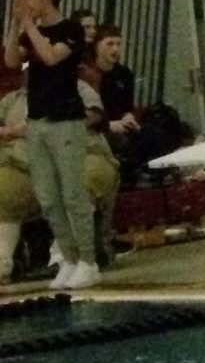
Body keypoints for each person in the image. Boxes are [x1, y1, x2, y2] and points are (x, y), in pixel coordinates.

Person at [2, 0, 100, 289]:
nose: (27, 4)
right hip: (38, 122)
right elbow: (11, 61)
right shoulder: (31, 32)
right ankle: (69, 258)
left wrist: (30, 27)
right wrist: (15, 25)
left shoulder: (70, 30)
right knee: (47, 197)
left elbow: (51, 57)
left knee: (72, 193)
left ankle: (88, 259)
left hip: (66, 121)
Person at [0, 80, 120, 282]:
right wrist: (8, 132)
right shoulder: (12, 100)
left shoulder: (76, 87)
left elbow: (94, 115)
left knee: (77, 183)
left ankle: (69, 258)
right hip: (27, 164)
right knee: (5, 189)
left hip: (83, 156)